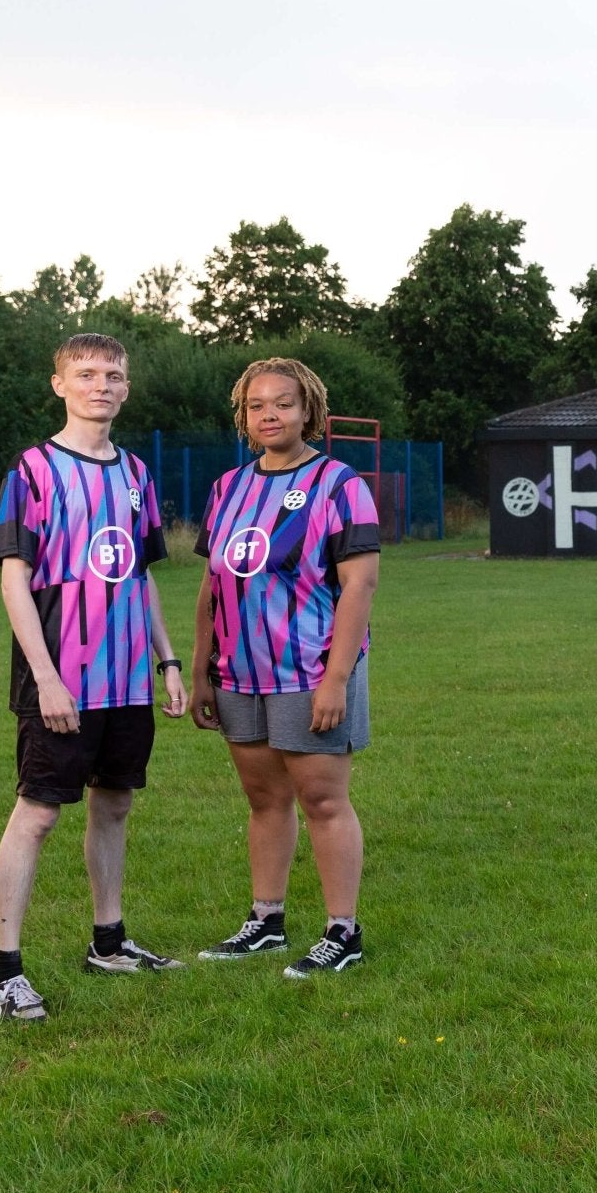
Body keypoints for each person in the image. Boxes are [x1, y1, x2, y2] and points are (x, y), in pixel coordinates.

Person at [0, 333, 188, 1021]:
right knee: (38, 811)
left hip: (127, 679)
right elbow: (15, 583)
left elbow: (142, 574)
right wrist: (45, 677)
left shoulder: (135, 474)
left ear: (126, 387)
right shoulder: (33, 470)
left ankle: (109, 941)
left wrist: (168, 659)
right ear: (60, 384)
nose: (102, 384)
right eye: (87, 373)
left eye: (113, 374)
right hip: (62, 678)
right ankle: (4, 972)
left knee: (115, 804)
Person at [191, 357, 380, 977]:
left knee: (323, 800)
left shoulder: (339, 484)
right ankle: (266, 922)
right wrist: (201, 671)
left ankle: (342, 932)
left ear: (309, 412)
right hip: (239, 671)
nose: (269, 415)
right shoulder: (227, 488)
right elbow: (212, 585)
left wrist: (337, 678)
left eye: (283, 404)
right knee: (263, 797)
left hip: (309, 669)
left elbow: (360, 586)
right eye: (256, 406)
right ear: (243, 417)